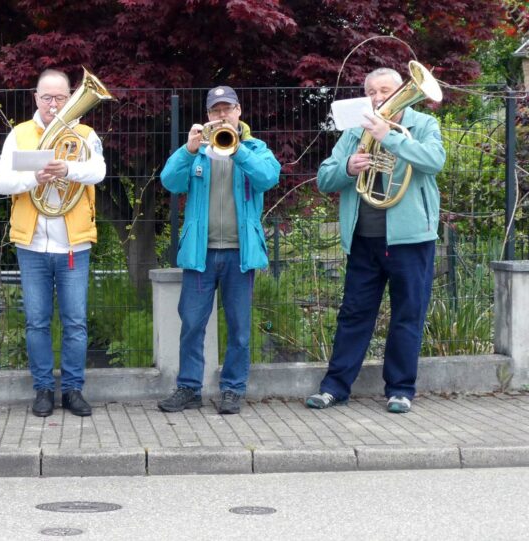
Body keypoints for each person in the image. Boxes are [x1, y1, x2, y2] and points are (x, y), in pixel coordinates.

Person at [306, 67, 445, 414]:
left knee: (407, 315)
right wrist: (348, 168)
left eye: (385, 90)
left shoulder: (423, 124)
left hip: (411, 239)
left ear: (401, 92)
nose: (378, 97)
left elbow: (434, 161)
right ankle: (334, 387)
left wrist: (390, 137)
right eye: (371, 91)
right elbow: (324, 178)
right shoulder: (355, 131)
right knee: (353, 314)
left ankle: (400, 390)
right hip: (364, 239)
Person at [157, 86, 281, 415]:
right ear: (208, 115)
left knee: (239, 327)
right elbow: (170, 181)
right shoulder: (197, 151)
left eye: (227, 109)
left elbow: (268, 178)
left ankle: (233, 389)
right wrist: (187, 150)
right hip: (202, 254)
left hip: (240, 253)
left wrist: (237, 150)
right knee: (192, 324)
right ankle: (189, 388)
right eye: (216, 110)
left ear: (239, 111)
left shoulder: (255, 148)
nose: (222, 115)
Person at [0, 69, 107, 417]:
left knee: (75, 322)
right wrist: (35, 177)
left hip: (74, 245)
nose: (53, 104)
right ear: (36, 98)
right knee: (36, 321)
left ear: (71, 98)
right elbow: (0, 182)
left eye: (60, 97)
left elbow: (99, 171)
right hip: (31, 246)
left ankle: (73, 390)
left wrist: (68, 170)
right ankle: (43, 389)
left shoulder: (84, 135)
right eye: (47, 97)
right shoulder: (20, 134)